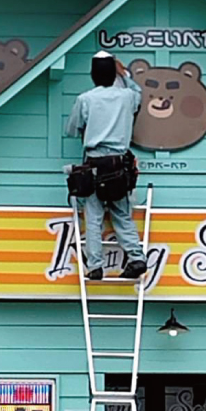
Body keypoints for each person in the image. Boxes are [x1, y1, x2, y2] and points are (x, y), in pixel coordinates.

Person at [65, 51, 147, 280]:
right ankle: (137, 258)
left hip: (94, 163)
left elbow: (71, 129)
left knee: (93, 216)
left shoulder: (85, 99)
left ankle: (95, 266)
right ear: (114, 74)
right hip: (119, 163)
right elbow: (139, 93)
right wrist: (125, 74)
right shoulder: (128, 96)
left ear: (92, 75)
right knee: (122, 213)